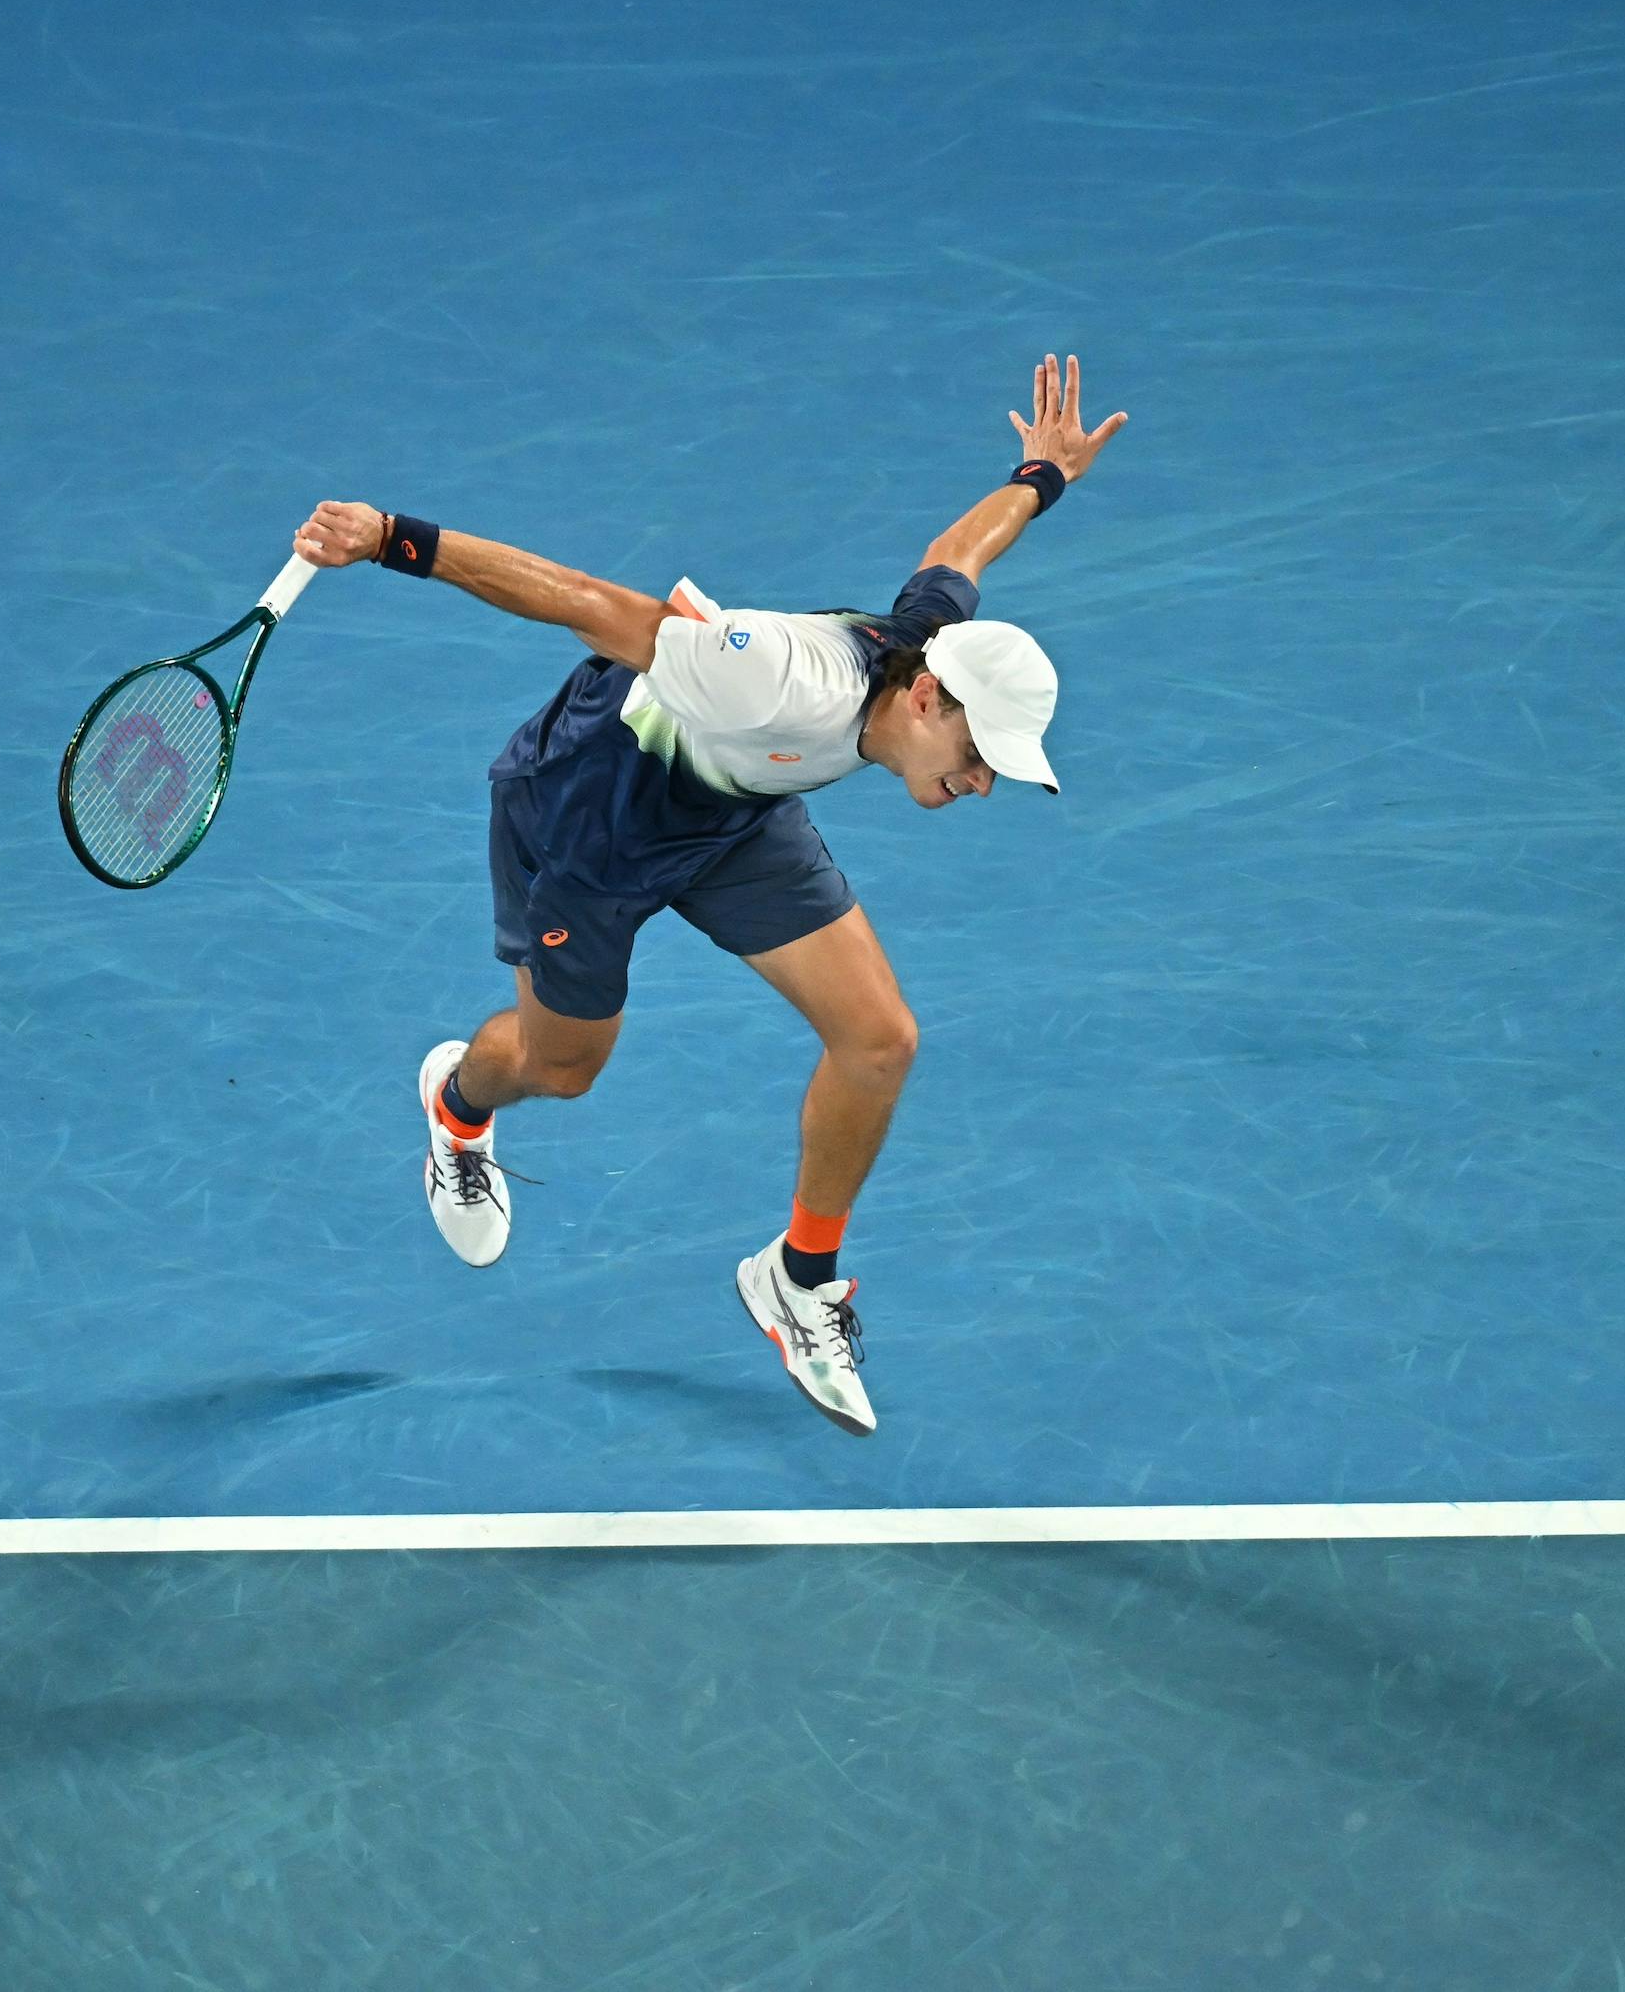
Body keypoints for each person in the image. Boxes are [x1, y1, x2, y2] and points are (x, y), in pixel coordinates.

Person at [291, 355, 1125, 1435]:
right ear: (927, 698)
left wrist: (1041, 475)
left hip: (736, 814)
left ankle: (798, 1277)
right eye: (978, 756)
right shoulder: (776, 672)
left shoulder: (925, 644)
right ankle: (458, 1107)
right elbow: (596, 605)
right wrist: (393, 536)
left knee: (881, 1039)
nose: (978, 785)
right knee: (563, 1067)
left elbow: (956, 553)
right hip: (597, 815)